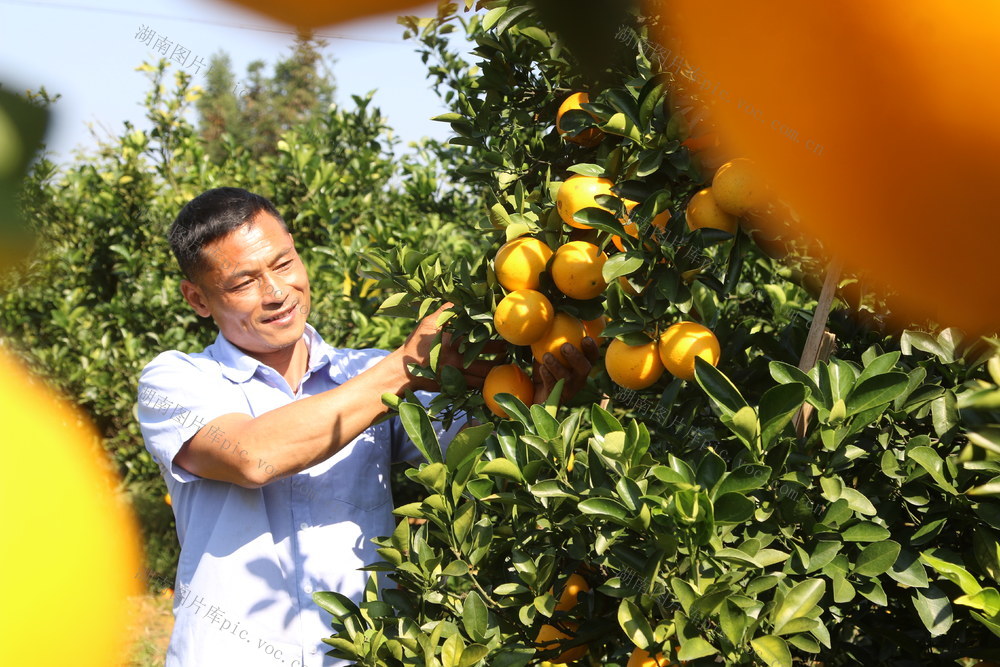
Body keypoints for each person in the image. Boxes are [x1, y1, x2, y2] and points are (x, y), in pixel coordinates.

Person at [136, 187, 598, 666]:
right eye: (243, 283)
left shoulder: (367, 375)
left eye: (283, 263)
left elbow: (480, 458)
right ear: (198, 299)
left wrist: (541, 399)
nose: (276, 292)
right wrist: (405, 367)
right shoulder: (176, 381)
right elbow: (252, 456)